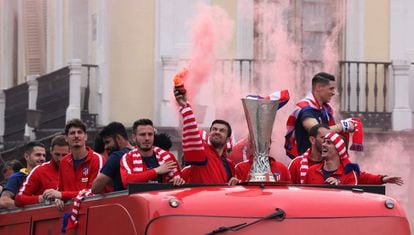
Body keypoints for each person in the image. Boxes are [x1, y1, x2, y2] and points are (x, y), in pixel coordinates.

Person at [289, 124, 404, 185]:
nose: (324, 144)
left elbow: (362, 178)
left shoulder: (349, 173)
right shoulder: (309, 169)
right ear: (312, 140)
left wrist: (383, 178)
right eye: (323, 140)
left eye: (328, 142)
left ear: (339, 150)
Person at [174, 86, 237, 185]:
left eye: (222, 130)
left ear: (228, 139)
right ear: (209, 134)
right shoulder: (202, 152)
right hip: (200, 200)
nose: (217, 132)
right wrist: (186, 107)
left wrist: (235, 183)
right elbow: (192, 134)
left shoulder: (230, 165)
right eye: (214, 129)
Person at [285, 72, 356, 158]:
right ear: (318, 87)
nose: (334, 93)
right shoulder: (305, 108)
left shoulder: (325, 109)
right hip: (307, 164)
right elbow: (318, 131)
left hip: (322, 162)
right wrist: (344, 126)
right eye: (331, 88)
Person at [42, 119, 104, 210]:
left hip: (93, 212)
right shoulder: (64, 162)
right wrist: (58, 199)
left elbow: (92, 192)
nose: (76, 136)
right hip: (70, 214)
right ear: (66, 138)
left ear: (85, 136)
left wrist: (61, 195)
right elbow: (60, 190)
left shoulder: (97, 159)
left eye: (79, 132)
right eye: (72, 133)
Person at [120, 119, 184, 187]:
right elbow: (127, 181)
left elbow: (180, 180)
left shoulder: (168, 157)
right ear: (134, 137)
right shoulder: (128, 158)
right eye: (142, 134)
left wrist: (178, 181)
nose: (147, 138)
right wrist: (156, 171)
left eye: (150, 134)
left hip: (164, 197)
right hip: (140, 197)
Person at [15, 135, 69, 207]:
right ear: (51, 151)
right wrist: (42, 198)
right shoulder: (39, 171)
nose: (60, 159)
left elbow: (86, 193)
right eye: (57, 154)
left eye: (64, 155)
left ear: (71, 152)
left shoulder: (78, 169)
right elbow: (19, 200)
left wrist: (62, 195)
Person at [0, 142, 46, 209]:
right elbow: (4, 200)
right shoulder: (18, 177)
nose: (42, 158)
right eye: (38, 155)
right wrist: (30, 208)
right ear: (26, 156)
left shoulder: (49, 176)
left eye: (44, 155)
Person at [91, 122, 134, 193]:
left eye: (107, 142)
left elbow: (95, 188)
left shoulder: (116, 156)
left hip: (125, 202)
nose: (105, 147)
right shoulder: (138, 153)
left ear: (118, 138)